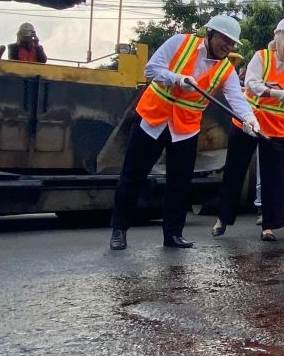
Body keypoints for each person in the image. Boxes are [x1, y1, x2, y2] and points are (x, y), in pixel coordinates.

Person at [109, 15, 257, 250]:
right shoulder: (179, 42)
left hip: (185, 129)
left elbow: (236, 98)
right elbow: (151, 69)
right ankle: (119, 230)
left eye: (232, 44)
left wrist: (249, 119)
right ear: (210, 34)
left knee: (179, 183)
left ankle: (173, 235)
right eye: (224, 40)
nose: (228, 47)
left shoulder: (226, 70)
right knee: (133, 175)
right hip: (153, 120)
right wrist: (176, 79)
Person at [213, 17, 284, 242]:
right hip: (248, 123)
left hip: (277, 129)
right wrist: (274, 93)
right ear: (279, 38)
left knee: (274, 177)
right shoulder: (261, 57)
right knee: (235, 170)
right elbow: (251, 83)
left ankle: (269, 226)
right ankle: (222, 218)